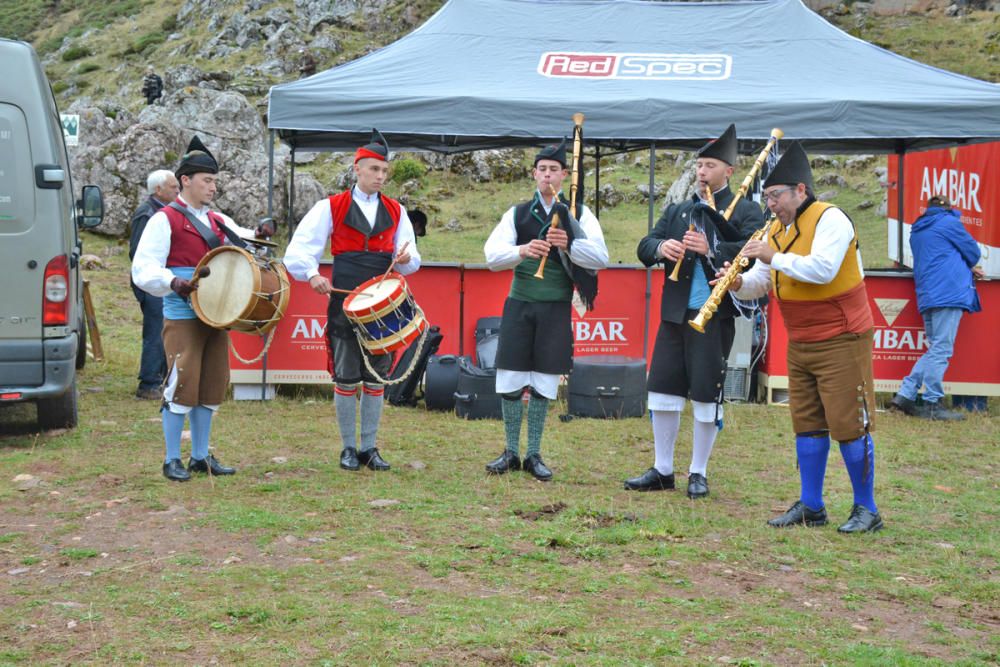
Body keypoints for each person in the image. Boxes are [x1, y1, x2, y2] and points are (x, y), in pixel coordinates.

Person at [727, 141, 883, 533]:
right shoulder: (776, 230)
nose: (771, 205)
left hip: (842, 337)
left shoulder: (831, 219)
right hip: (801, 340)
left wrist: (769, 255)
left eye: (776, 196)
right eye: (767, 198)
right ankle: (812, 506)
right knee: (807, 423)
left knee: (850, 424)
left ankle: (867, 509)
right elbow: (764, 282)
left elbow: (823, 270)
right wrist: (735, 283)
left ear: (801, 189)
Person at [626, 124, 764, 499]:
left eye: (709, 165)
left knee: (706, 394)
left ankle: (698, 471)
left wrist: (710, 248)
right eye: (699, 165)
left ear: (729, 171)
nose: (701, 172)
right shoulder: (679, 209)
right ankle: (663, 468)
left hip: (714, 316)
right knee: (664, 392)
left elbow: (749, 255)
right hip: (675, 314)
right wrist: (661, 248)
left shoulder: (748, 211)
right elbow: (644, 245)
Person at [132, 136, 273, 482]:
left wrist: (260, 232)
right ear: (186, 181)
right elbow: (143, 268)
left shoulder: (217, 219)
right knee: (181, 383)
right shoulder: (164, 220)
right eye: (207, 180)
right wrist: (172, 283)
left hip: (217, 313)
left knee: (211, 385)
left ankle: (199, 456)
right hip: (182, 315)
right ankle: (170, 459)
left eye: (214, 181)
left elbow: (245, 240)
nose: (213, 187)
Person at [283, 129, 420, 473]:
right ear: (357, 169)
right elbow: (298, 251)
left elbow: (412, 256)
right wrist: (312, 274)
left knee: (376, 377)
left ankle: (370, 448)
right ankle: (347, 449)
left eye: (384, 171)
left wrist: (404, 259)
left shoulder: (397, 210)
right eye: (374, 169)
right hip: (344, 297)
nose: (380, 176)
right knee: (346, 376)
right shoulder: (330, 207)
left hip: (383, 302)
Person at [483, 139, 608, 481]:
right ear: (534, 174)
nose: (548, 175)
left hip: (555, 307)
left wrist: (571, 244)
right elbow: (492, 256)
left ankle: (534, 453)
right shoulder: (518, 214)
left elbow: (601, 259)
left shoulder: (578, 213)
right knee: (510, 376)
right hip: (520, 304)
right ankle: (510, 451)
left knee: (544, 380)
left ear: (565, 175)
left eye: (554, 170)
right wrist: (523, 250)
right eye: (543, 170)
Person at [890, 195, 982, 421]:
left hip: (927, 295)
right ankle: (932, 403)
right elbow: (973, 252)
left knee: (935, 349)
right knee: (941, 349)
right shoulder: (949, 222)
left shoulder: (917, 229)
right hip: (949, 293)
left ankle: (905, 395)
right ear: (949, 209)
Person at [128, 170, 179, 400]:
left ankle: (159, 378)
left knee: (163, 329)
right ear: (158, 190)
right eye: (172, 187)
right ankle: (148, 383)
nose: (177, 190)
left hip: (161, 281)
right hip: (152, 284)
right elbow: (138, 254)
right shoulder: (147, 214)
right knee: (155, 331)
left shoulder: (162, 212)